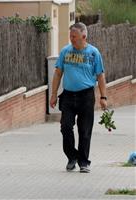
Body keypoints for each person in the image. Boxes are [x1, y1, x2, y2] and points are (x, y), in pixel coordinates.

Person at [50, 22, 107, 173]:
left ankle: (84, 162)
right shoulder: (65, 52)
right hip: (68, 96)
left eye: (74, 37)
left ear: (84, 36)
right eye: (70, 37)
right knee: (66, 127)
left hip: (86, 96)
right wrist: (54, 94)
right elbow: (57, 73)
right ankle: (72, 156)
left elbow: (100, 76)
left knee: (85, 130)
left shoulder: (94, 53)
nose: (72, 40)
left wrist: (103, 96)